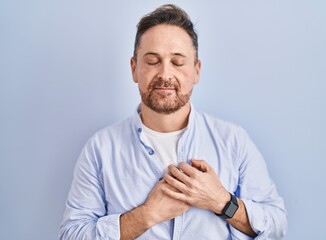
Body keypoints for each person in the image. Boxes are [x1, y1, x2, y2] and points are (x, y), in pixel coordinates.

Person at [59, 4, 287, 240]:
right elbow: (71, 235)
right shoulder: (100, 149)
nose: (165, 74)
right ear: (134, 68)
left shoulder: (233, 141)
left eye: (177, 62)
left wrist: (221, 201)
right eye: (152, 61)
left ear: (196, 71)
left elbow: (277, 226)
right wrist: (146, 215)